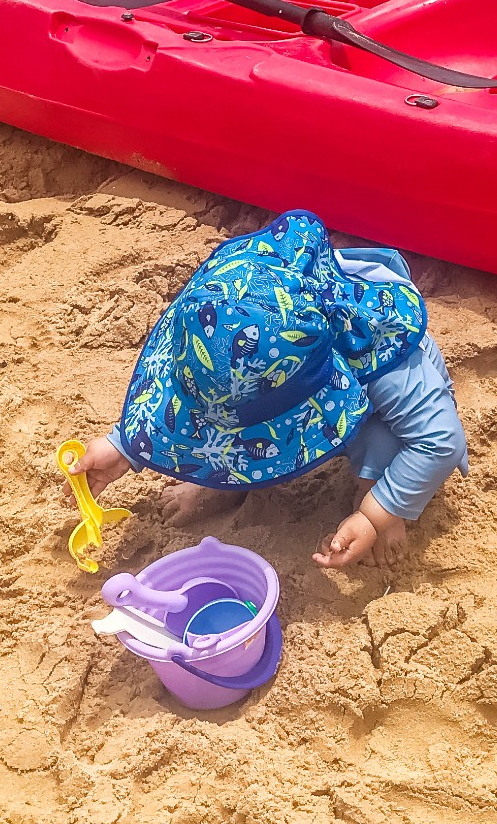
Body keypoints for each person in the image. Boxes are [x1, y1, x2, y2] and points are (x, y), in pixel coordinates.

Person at [64, 209, 467, 568]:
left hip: (380, 403)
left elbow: (441, 441)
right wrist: (124, 447)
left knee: (381, 448)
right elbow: (190, 402)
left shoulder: (390, 362)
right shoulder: (218, 314)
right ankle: (228, 481)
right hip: (280, 371)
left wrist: (377, 513)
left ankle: (385, 503)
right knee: (236, 415)